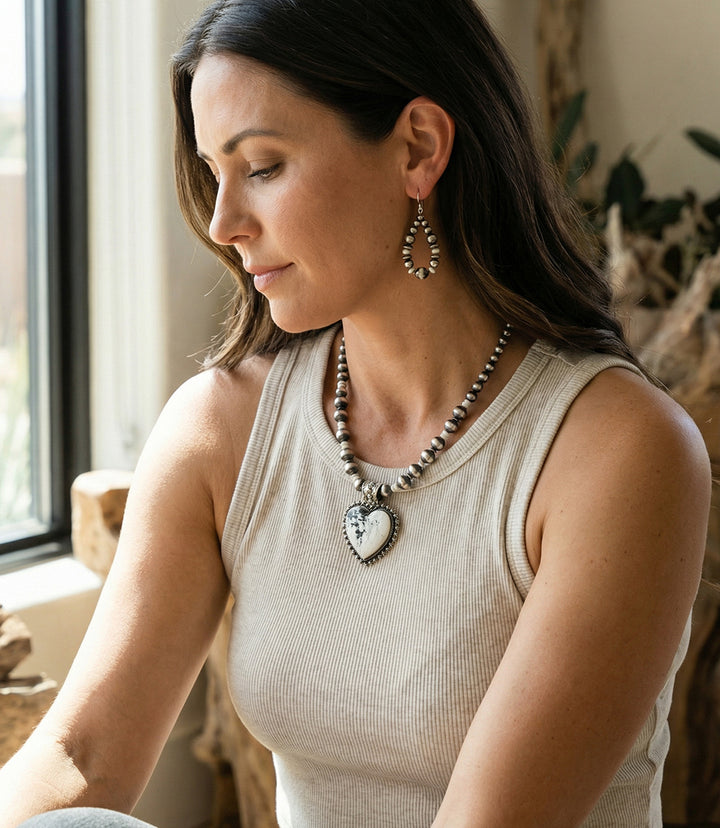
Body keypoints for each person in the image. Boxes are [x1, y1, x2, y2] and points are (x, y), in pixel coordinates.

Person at [0, 0, 712, 825]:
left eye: (261, 166)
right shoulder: (220, 431)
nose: (225, 222)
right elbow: (79, 758)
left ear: (418, 147)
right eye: (212, 172)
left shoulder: (619, 450)